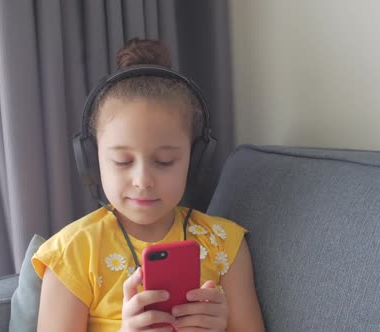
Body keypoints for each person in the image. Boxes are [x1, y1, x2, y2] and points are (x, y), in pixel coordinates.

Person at [32, 38, 265, 332]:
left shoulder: (225, 244)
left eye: (165, 161)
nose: (143, 181)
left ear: (195, 161)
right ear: (92, 161)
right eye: (122, 161)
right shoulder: (73, 253)